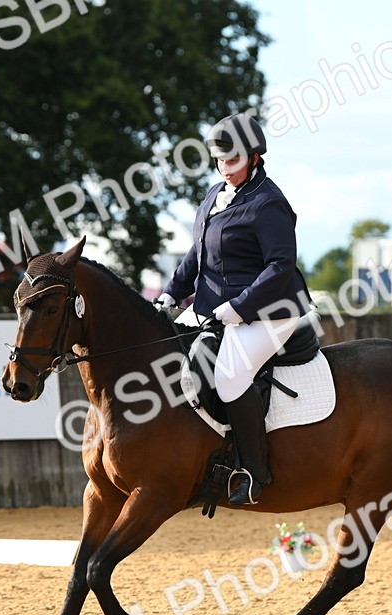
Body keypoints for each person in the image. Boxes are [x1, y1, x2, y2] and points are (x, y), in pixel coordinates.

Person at [156, 113, 310, 506]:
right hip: (216, 308)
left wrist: (241, 307)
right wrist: (171, 294)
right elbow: (198, 253)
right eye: (219, 160)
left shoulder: (268, 203)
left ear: (255, 157)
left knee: (229, 375)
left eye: (233, 160)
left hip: (271, 310)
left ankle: (254, 472)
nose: (225, 167)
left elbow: (280, 265)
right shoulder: (215, 194)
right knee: (171, 355)